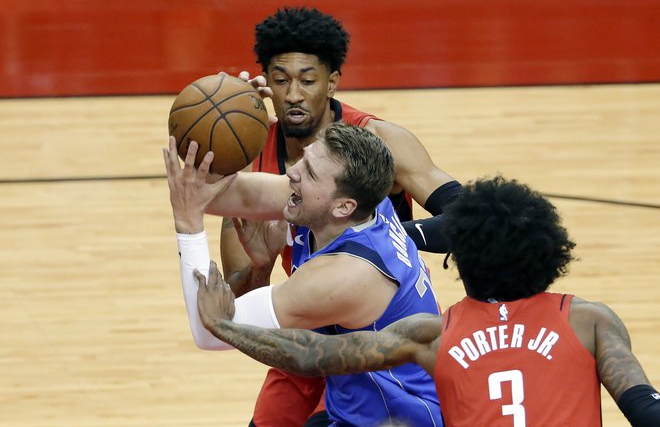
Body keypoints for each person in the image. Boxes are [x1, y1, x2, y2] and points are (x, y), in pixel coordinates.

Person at [195, 176, 660, 427]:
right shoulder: (589, 321)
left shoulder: (434, 333)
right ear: (549, 254)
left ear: (462, 260)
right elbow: (645, 409)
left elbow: (310, 354)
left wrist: (224, 324)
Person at [219, 6, 462, 426]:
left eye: (308, 80)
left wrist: (381, 243)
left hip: (370, 332)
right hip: (306, 325)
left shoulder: (379, 142)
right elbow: (241, 311)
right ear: (265, 85)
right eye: (280, 80)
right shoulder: (253, 162)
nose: (293, 94)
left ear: (331, 82)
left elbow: (467, 218)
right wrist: (222, 124)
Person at [164, 123, 444, 426]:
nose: (293, 172)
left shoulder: (343, 276)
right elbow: (226, 195)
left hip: (398, 419)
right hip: (354, 399)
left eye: (309, 172)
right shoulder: (357, 203)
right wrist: (229, 130)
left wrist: (188, 223)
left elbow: (210, 332)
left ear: (343, 207)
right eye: (304, 159)